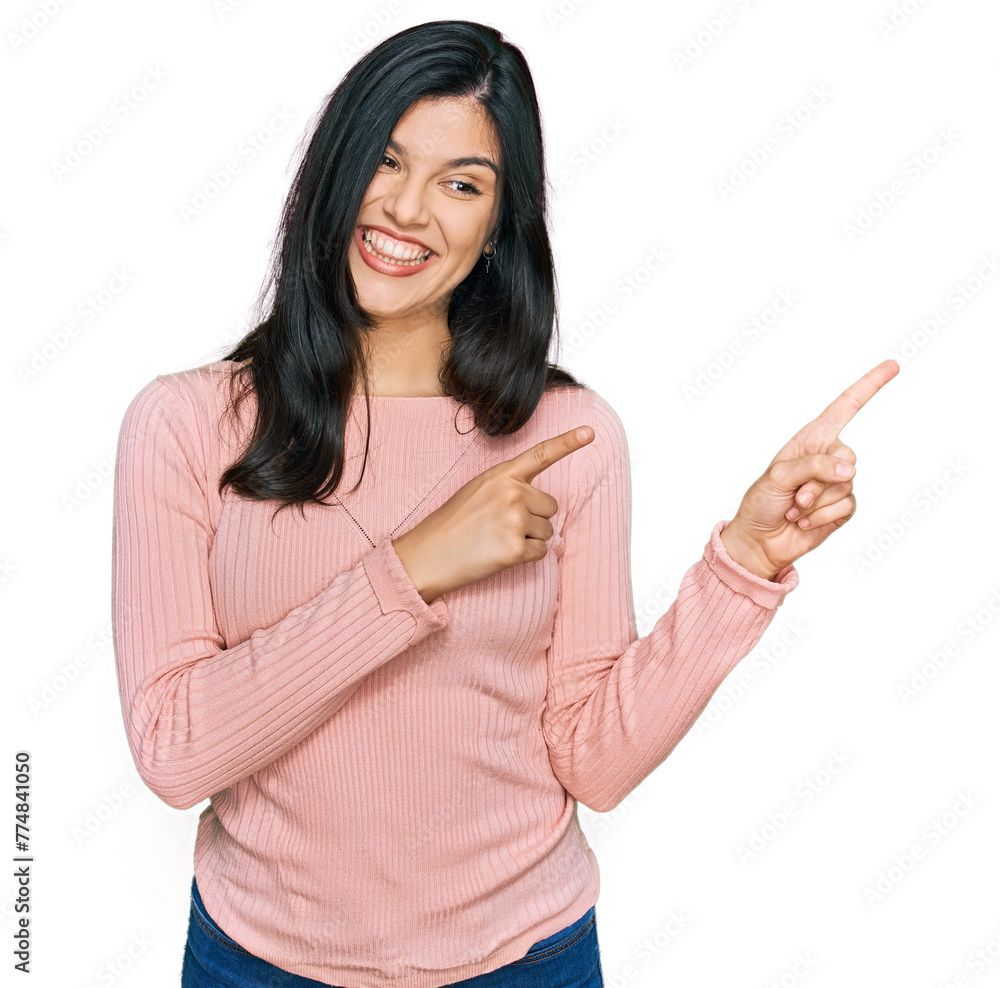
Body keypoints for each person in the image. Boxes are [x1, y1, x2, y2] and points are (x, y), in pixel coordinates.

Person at [110, 19, 897, 988]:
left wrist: (741, 561)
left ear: (497, 224)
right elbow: (174, 751)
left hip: (521, 961)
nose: (406, 209)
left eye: (461, 183)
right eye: (385, 162)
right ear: (331, 171)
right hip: (259, 960)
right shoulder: (186, 425)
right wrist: (410, 569)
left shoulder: (569, 436)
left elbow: (593, 761)